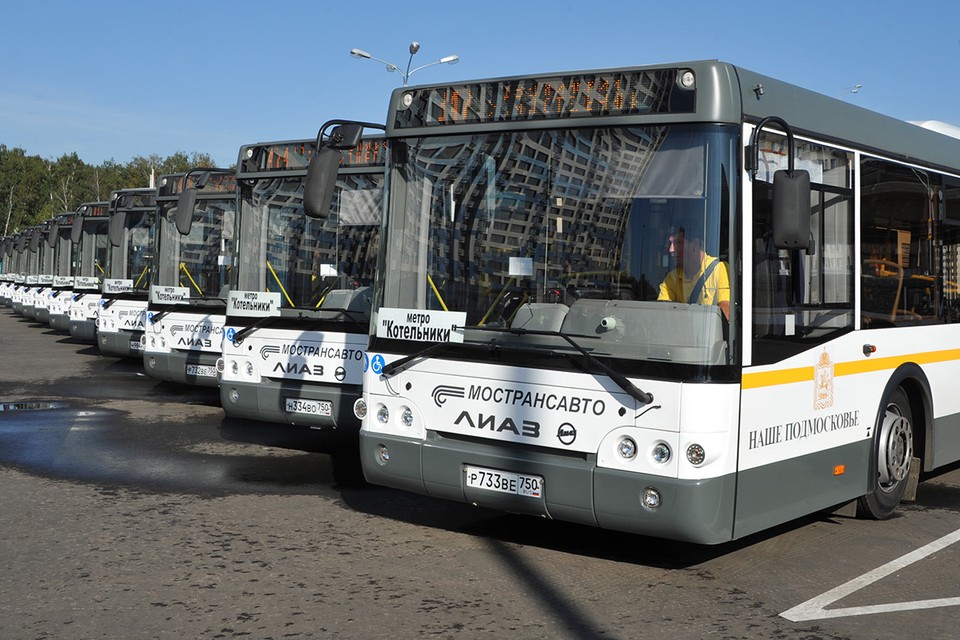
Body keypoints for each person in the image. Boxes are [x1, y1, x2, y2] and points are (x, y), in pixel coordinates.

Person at [658, 223, 730, 320]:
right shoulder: (672, 278)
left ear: (695, 245)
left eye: (678, 243)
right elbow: (661, 315)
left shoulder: (719, 269)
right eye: (670, 244)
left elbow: (726, 314)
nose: (671, 250)